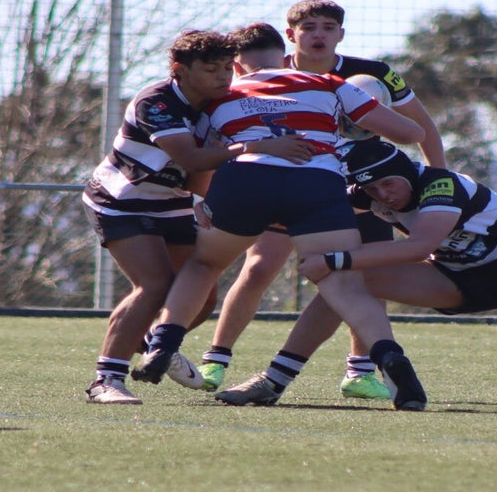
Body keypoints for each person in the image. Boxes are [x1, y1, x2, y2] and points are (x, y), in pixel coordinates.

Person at [130, 22, 431, 411]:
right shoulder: (329, 83)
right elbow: (411, 133)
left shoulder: (220, 95)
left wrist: (201, 198)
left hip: (244, 180)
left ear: (237, 65)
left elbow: (202, 157)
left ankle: (163, 345)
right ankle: (389, 356)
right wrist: (351, 123)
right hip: (316, 182)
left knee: (205, 264)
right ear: (285, 56)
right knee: (343, 282)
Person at [223, 140, 497, 417]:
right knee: (341, 286)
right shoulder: (370, 192)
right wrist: (228, 211)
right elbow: (304, 210)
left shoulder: (440, 184)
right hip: (451, 279)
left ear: (406, 172)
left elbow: (420, 246)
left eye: (388, 183)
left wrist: (334, 258)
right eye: (372, 188)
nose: (383, 195)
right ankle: (273, 381)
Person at [197, 0, 447, 400]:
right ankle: (217, 358)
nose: (319, 35)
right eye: (309, 27)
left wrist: (437, 179)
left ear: (341, 35)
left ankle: (360, 371)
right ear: (290, 35)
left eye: (328, 28)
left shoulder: (373, 74)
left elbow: (422, 127)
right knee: (261, 267)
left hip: (359, 190)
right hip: (297, 186)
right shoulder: (268, 75)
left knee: (362, 277)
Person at [82, 30, 313, 405]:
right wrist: (256, 146)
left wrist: (206, 199)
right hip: (121, 199)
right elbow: (190, 157)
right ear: (179, 70)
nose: (223, 77)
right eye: (211, 69)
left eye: (227, 68)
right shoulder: (156, 102)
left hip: (172, 200)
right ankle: (106, 380)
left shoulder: (222, 102)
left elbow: (195, 176)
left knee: (201, 295)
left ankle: (154, 345)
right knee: (155, 285)